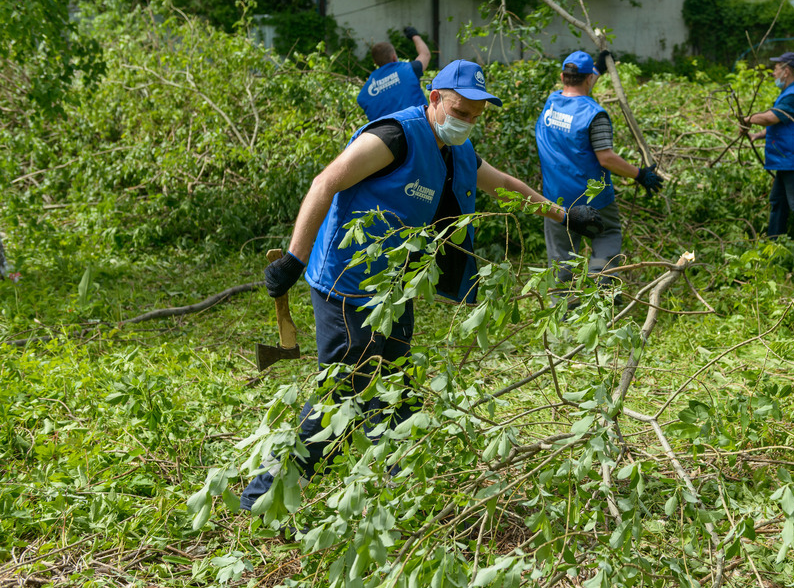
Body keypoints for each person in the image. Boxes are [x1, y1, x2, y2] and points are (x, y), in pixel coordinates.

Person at [240, 59, 604, 513]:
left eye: (475, 115)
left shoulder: (456, 150)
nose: (466, 121)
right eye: (460, 110)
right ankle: (263, 496)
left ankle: (404, 490)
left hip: (393, 290)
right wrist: (295, 257)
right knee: (340, 396)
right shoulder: (394, 136)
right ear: (434, 98)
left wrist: (564, 214)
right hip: (347, 284)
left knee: (395, 387)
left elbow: (505, 186)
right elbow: (326, 182)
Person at [535, 50, 663, 288]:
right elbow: (606, 159)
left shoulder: (552, 103)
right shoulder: (594, 114)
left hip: (556, 198)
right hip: (594, 198)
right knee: (607, 234)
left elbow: (576, 79)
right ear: (588, 79)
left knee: (562, 256)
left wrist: (597, 68)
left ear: (563, 77)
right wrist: (640, 174)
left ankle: (564, 310)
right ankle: (601, 283)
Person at [739, 52, 794, 242]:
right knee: (778, 202)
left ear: (786, 71)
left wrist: (747, 119)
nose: (773, 72)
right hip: (788, 160)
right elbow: (786, 124)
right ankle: (774, 243)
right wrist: (758, 135)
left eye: (776, 68)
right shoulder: (790, 93)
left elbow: (771, 118)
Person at [356, 26, 432, 119]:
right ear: (394, 57)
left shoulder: (364, 94)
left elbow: (362, 101)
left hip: (385, 133)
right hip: (420, 127)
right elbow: (425, 54)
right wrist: (415, 35)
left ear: (375, 62)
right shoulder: (409, 69)